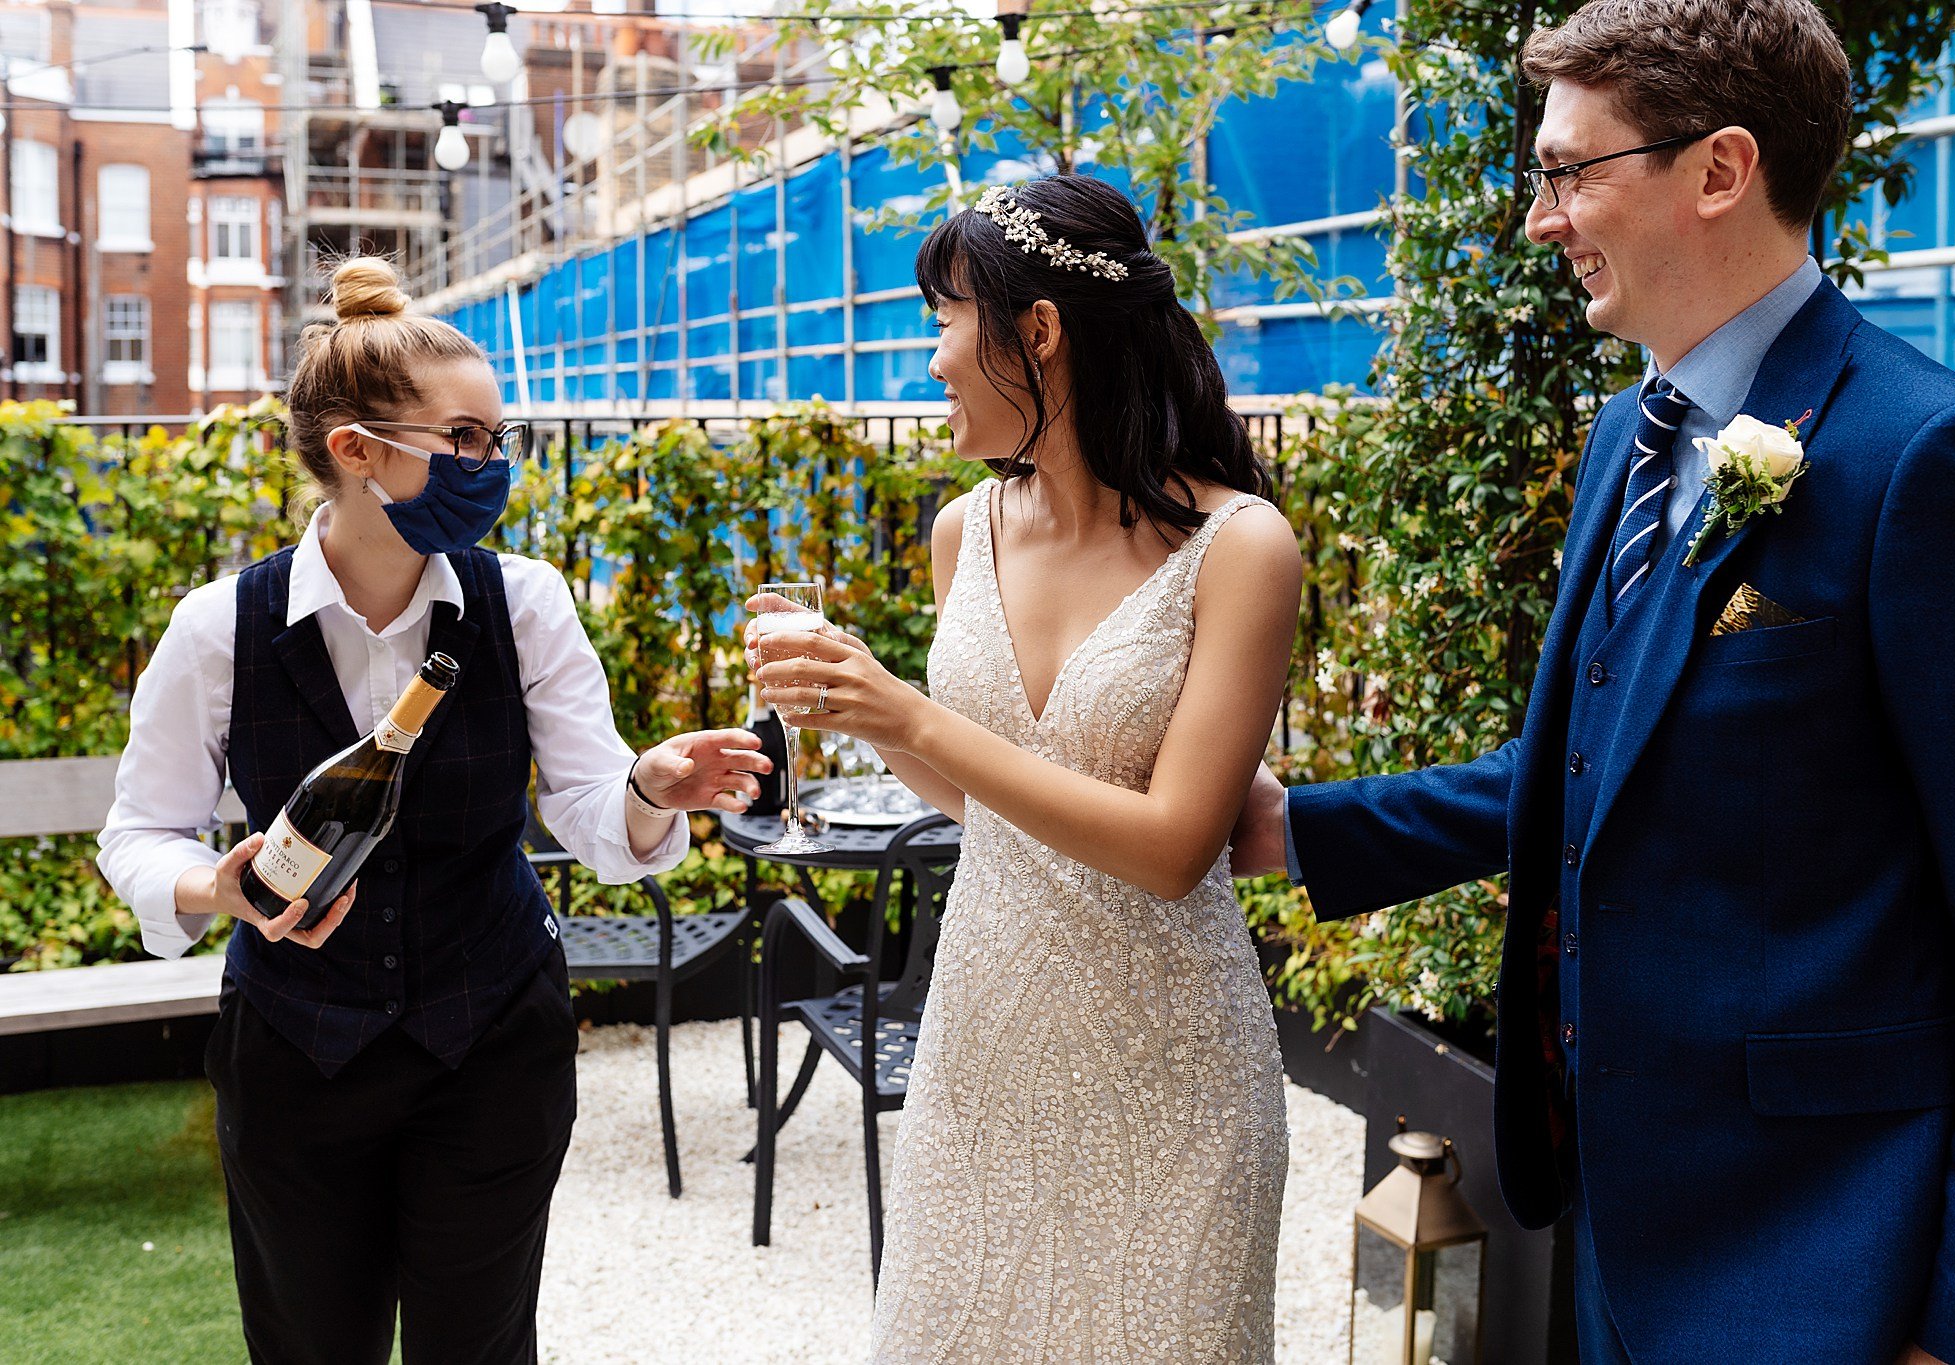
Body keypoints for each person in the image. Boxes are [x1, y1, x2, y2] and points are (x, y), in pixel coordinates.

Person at [1229, 2, 1955, 1361]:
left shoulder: (1934, 460)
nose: (1540, 219)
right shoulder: (1628, 434)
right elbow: (1592, 762)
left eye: (1570, 171)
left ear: (1720, 170)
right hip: (1619, 1220)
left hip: (1836, 1254)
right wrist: (1297, 829)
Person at [96, 257, 771, 1365]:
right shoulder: (219, 628)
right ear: (358, 453)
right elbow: (139, 832)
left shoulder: (526, 604)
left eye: (496, 440)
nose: (489, 465)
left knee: (483, 1348)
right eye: (463, 440)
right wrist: (210, 885)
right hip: (295, 1057)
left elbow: (599, 816)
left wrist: (651, 786)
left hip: (493, 1042)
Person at [748, 175, 1303, 1361]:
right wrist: (875, 718)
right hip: (982, 1049)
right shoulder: (965, 529)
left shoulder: (1239, 547)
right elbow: (985, 806)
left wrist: (916, 716)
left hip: (1173, 1073)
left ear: (1037, 333)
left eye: (943, 323)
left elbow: (1170, 847)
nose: (931, 362)